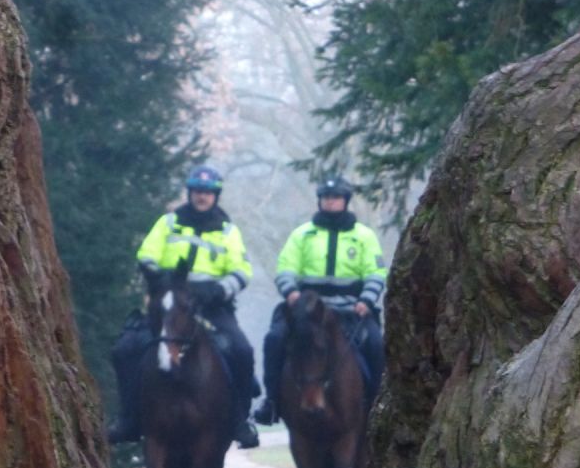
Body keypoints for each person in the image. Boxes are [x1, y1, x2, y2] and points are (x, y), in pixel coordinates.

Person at [108, 165, 260, 449]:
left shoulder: (228, 231)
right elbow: (147, 256)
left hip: (212, 307)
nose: (202, 197)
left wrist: (218, 290)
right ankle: (128, 418)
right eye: (198, 191)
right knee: (125, 349)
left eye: (208, 192)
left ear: (215, 196)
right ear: (190, 193)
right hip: (169, 307)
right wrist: (165, 283)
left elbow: (241, 271)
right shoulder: (168, 223)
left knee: (242, 350)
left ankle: (240, 421)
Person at [253, 176, 386, 425]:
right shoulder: (302, 235)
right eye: (326, 197)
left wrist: (366, 300)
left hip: (350, 310)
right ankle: (271, 401)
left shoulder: (364, 236)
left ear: (345, 201)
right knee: (274, 339)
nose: (330, 202)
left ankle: (377, 406)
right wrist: (291, 292)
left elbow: (376, 273)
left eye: (336, 198)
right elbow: (285, 268)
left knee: (376, 345)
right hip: (308, 311)